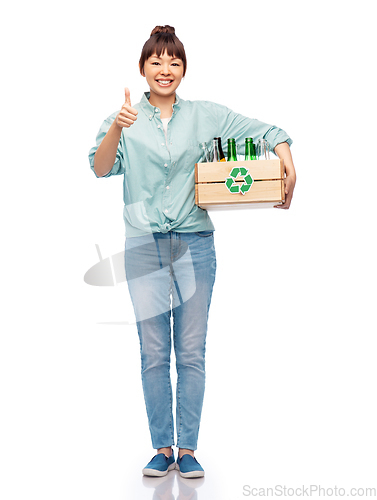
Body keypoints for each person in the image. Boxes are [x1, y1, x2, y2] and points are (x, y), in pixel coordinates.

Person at [88, 25, 296, 479]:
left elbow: (268, 130)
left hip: (195, 245)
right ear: (142, 68)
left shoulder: (205, 116)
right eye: (157, 62)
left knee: (191, 350)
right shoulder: (124, 117)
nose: (166, 70)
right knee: (153, 350)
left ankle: (189, 449)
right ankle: (162, 447)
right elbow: (101, 168)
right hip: (143, 245)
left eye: (174, 62)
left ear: (183, 70)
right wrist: (116, 132)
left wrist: (286, 158)